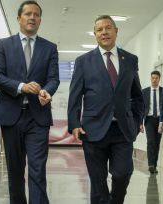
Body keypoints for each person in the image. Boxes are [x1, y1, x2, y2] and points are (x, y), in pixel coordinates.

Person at [67, 15, 144, 204]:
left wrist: (136, 121)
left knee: (123, 173)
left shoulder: (130, 60)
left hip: (123, 129)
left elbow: (137, 96)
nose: (104, 32)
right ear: (94, 34)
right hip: (93, 129)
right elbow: (75, 96)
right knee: (98, 181)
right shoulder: (83, 61)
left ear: (116, 31)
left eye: (108, 28)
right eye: (100, 30)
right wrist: (74, 124)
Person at [0, 1, 60, 203]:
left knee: (38, 171)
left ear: (40, 19)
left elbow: (54, 78)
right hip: (10, 116)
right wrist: (21, 86)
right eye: (28, 13)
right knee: (15, 171)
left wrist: (46, 90)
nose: (32, 17)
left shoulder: (50, 48)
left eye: (36, 14)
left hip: (38, 117)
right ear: (18, 18)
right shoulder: (3, 44)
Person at [140, 70, 162, 174]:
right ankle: (151, 164)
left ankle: (155, 165)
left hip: (159, 120)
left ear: (159, 79)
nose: (154, 80)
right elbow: (141, 108)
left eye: (156, 78)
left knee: (157, 143)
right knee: (150, 141)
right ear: (150, 78)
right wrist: (140, 123)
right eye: (152, 78)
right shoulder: (144, 91)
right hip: (148, 119)